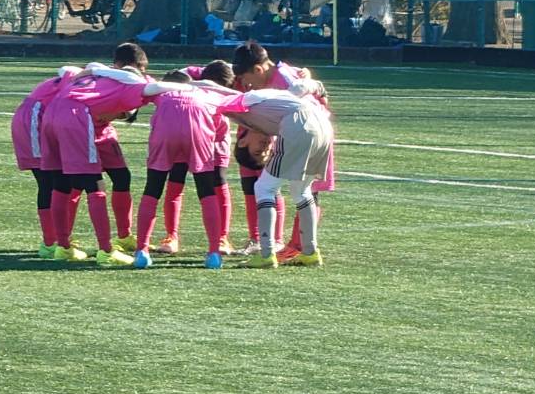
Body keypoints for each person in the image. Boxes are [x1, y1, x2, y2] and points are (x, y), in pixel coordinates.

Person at [40, 42, 188, 268]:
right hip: (78, 118)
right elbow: (152, 89)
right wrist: (190, 89)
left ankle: (63, 246)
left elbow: (70, 70)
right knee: (94, 186)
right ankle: (106, 250)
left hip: (53, 114)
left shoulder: (102, 74)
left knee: (63, 183)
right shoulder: (133, 82)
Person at [214, 84, 334, 268]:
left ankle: (266, 254)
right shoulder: (261, 111)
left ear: (242, 142)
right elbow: (296, 91)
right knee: (301, 191)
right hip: (323, 126)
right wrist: (316, 87)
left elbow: (216, 92)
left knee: (263, 187)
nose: (265, 148)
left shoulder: (233, 105)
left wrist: (186, 85)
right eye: (264, 154)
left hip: (301, 122)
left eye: (258, 151)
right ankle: (310, 253)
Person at [133, 61, 235, 270]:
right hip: (198, 129)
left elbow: (139, 92)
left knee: (153, 189)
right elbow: (221, 127)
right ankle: (214, 253)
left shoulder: (162, 92)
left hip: (165, 132)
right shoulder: (208, 93)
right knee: (206, 191)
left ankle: (141, 250)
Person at [11, 66, 83, 259]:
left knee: (62, 180)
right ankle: (50, 243)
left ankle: (59, 239)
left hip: (44, 119)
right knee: (48, 181)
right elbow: (66, 70)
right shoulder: (88, 78)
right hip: (35, 119)